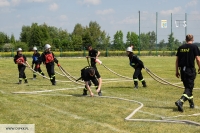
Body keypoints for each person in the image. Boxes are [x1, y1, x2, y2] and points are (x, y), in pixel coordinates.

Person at [175, 34, 200, 112]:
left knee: (188, 87)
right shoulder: (194, 47)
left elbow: (177, 60)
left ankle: (191, 103)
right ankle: (180, 101)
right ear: (192, 39)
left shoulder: (181, 47)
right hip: (190, 70)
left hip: (182, 70)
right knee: (189, 88)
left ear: (185, 39)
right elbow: (198, 59)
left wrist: (176, 71)